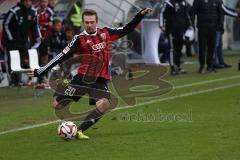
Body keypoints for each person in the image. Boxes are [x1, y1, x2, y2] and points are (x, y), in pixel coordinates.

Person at [32, 8, 152, 139]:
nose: (89, 25)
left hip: (100, 79)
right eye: (86, 22)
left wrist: (140, 15)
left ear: (96, 22)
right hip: (82, 78)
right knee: (57, 104)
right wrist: (42, 70)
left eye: (91, 22)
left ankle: (79, 131)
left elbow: (126, 29)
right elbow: (62, 55)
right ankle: (64, 93)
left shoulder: (106, 32)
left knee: (105, 103)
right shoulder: (79, 39)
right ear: (83, 23)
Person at [2, 0, 41, 86]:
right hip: (10, 42)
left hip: (23, 42)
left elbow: (35, 26)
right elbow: (6, 25)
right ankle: (12, 81)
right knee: (11, 61)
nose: (27, 3)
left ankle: (18, 81)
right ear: (22, 1)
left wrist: (38, 37)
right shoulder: (14, 11)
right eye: (26, 1)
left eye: (29, 1)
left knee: (19, 62)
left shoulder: (33, 12)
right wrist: (11, 38)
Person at [160, 0, 193, 75]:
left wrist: (189, 25)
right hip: (171, 29)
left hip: (181, 29)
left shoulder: (183, 3)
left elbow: (186, 14)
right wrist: (161, 25)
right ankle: (172, 68)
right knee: (172, 48)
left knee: (179, 48)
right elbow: (162, 13)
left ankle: (178, 66)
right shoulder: (168, 3)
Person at [191, 0, 222, 74]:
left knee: (212, 47)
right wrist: (192, 25)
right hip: (202, 27)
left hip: (213, 27)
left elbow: (220, 12)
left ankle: (210, 66)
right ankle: (202, 67)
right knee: (202, 47)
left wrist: (220, 24)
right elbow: (192, 12)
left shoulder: (217, 1)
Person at [213, 2, 240, 69]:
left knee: (219, 46)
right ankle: (214, 63)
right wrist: (237, 14)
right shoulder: (217, 2)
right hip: (216, 26)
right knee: (215, 46)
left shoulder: (219, 2)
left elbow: (226, 8)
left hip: (219, 27)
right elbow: (226, 10)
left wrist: (236, 12)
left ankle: (221, 62)